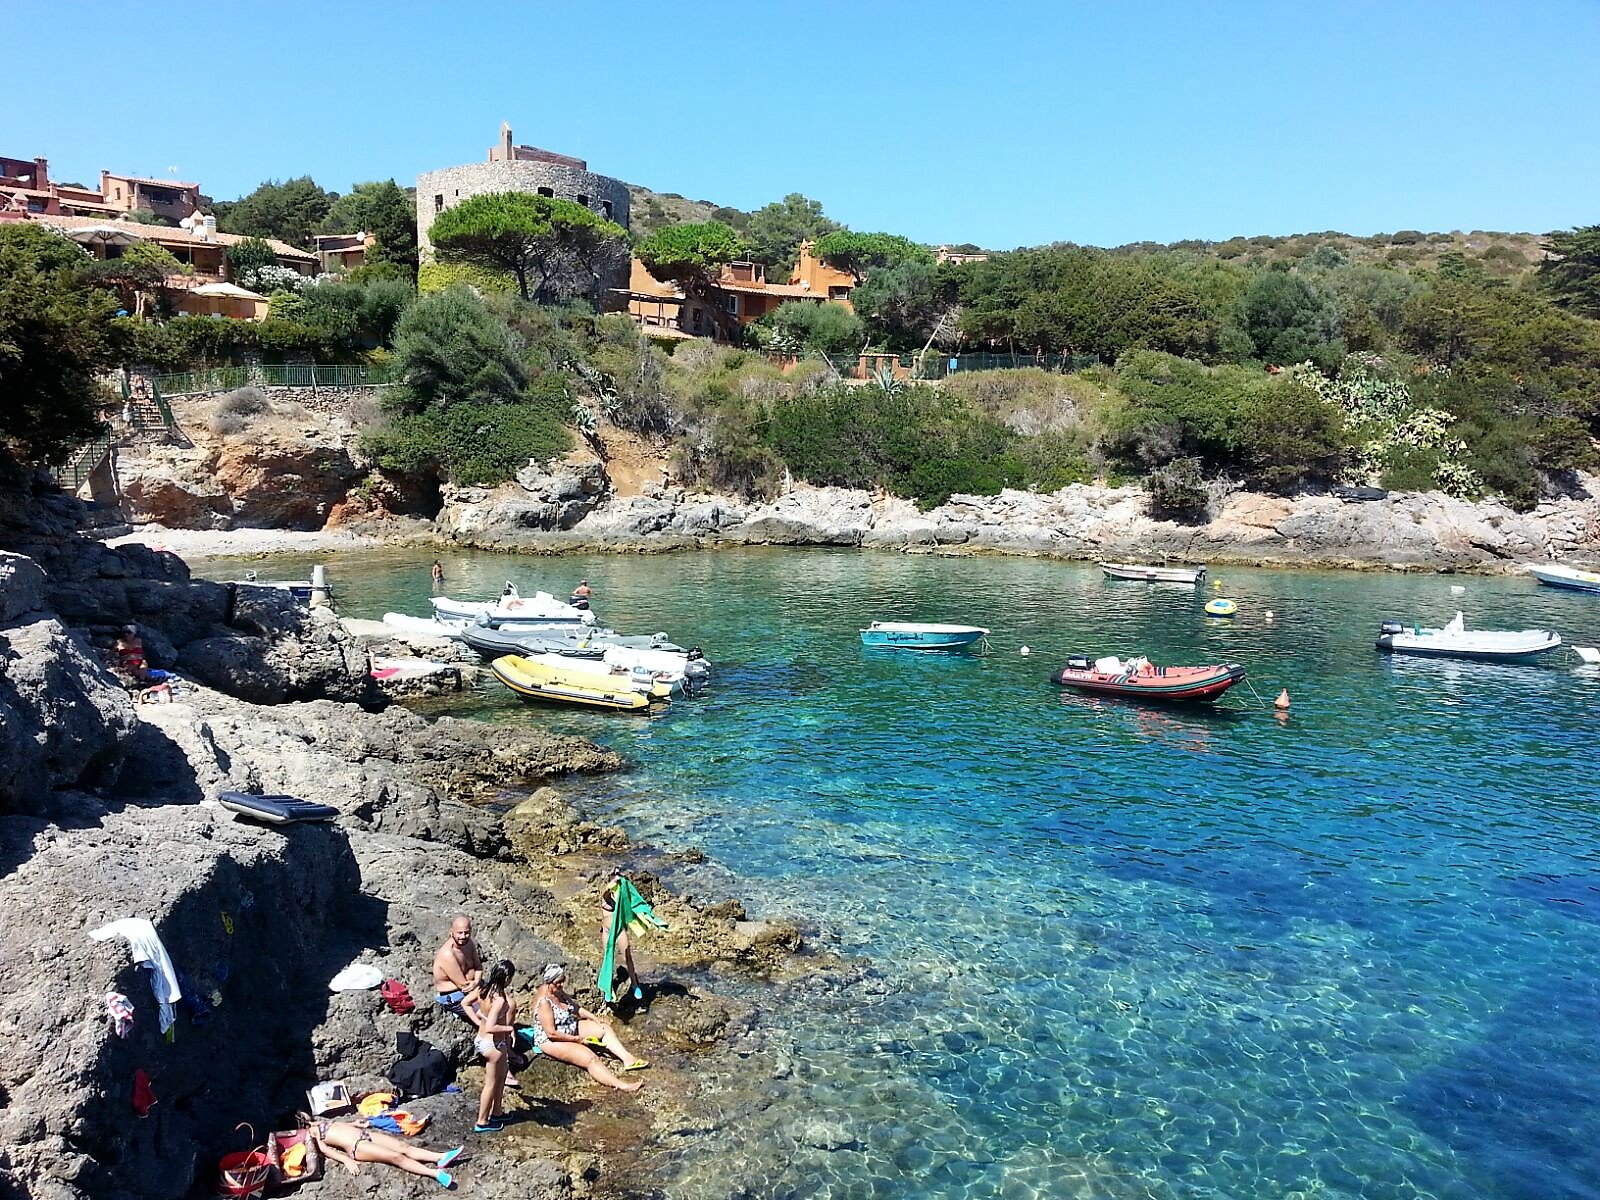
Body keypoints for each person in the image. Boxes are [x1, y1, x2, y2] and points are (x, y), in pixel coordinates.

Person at [529, 964, 646, 1092]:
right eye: (558, 982)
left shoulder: (558, 991)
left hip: (568, 1026)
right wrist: (577, 1040)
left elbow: (576, 1009)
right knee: (590, 1058)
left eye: (563, 981)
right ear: (549, 982)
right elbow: (551, 1033)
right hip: (551, 1040)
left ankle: (628, 1059)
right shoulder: (545, 1002)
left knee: (604, 1028)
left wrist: (594, 1018)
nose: (562, 985)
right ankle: (622, 1085)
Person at [299, 1113, 462, 1188]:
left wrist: (354, 1124)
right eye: (302, 1114)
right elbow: (324, 1149)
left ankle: (440, 1157)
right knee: (396, 1156)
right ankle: (435, 1174)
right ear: (301, 1119)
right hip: (357, 1145)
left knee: (403, 1147)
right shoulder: (310, 1132)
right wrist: (346, 1160)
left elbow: (338, 1127)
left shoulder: (318, 1122)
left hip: (365, 1134)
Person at [471, 960, 518, 1133]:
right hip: (492, 1045)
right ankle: (482, 1121)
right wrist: (509, 1028)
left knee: (501, 1076)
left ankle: (497, 1112)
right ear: (507, 978)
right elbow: (491, 1026)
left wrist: (483, 1018)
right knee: (490, 1084)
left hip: (483, 1040)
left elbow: (473, 1008)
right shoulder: (499, 1000)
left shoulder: (484, 990)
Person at [600, 878, 642, 1001]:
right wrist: (612, 884)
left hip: (619, 930)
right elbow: (605, 893)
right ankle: (608, 989)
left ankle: (635, 984)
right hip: (607, 931)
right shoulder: (606, 896)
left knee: (627, 956)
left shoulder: (622, 898)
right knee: (608, 958)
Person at [432, 916, 481, 1017]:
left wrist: (476, 981)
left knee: (503, 1003)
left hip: (474, 986)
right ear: (452, 932)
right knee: (489, 1012)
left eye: (466, 933)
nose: (463, 936)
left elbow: (478, 967)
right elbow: (463, 985)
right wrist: (479, 988)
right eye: (459, 933)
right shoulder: (448, 954)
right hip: (455, 995)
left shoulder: (469, 944)